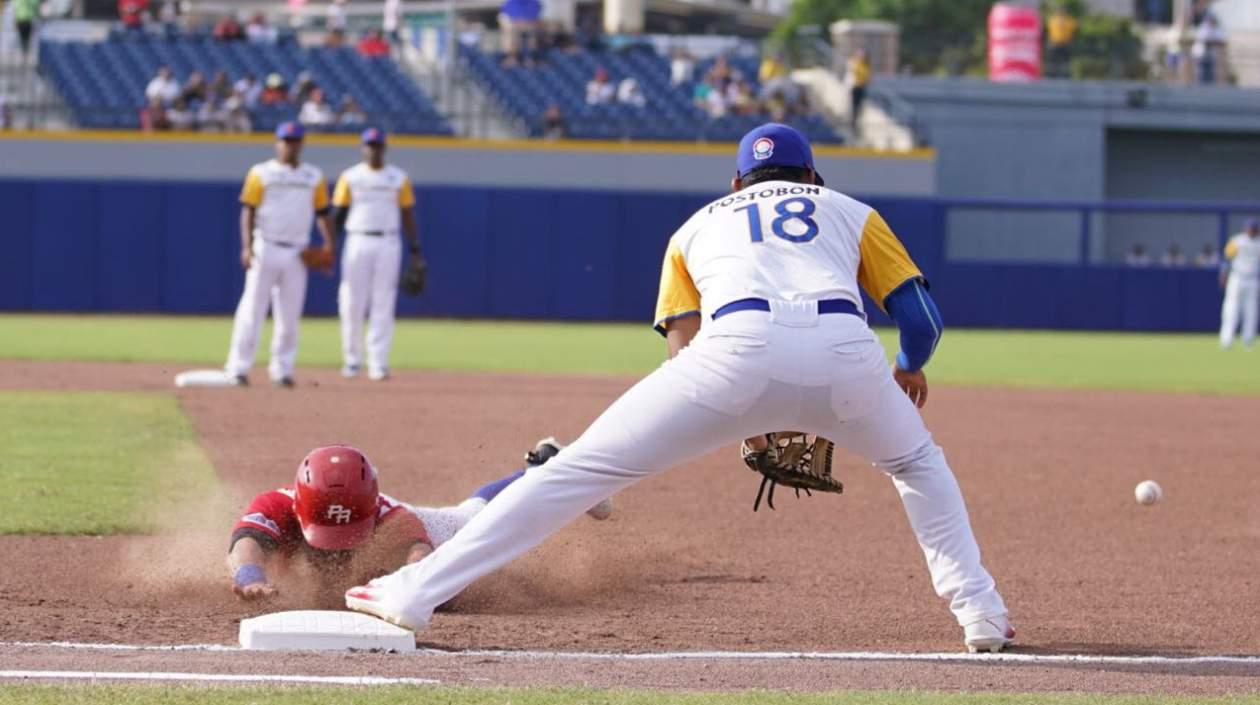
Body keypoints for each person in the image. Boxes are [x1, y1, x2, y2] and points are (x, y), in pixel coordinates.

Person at [344, 123, 1015, 655]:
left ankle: (415, 591)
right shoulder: (850, 211)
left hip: (732, 352)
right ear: (813, 177)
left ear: (735, 181)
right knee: (918, 464)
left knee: (578, 469)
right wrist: (906, 366)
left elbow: (682, 347)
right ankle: (980, 611)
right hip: (846, 352)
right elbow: (923, 319)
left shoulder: (696, 225)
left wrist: (740, 409)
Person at [229, 439, 614, 601]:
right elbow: (246, 543)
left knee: (476, 517)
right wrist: (249, 579)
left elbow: (419, 554)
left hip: (438, 529)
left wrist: (414, 583)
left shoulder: (393, 518)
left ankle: (553, 470)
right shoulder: (277, 504)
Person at [223, 122, 335, 388]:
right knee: (252, 309)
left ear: (301, 144)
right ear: (277, 143)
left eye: (294, 140)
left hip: (297, 251)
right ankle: (238, 367)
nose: (290, 145)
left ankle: (282, 370)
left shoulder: (313, 176)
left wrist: (330, 245)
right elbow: (248, 210)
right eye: (285, 140)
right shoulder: (261, 173)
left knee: (290, 314)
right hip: (266, 247)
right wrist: (247, 246)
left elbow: (323, 214)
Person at [332, 128, 423, 381]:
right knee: (351, 301)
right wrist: (329, 247)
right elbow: (338, 215)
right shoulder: (350, 177)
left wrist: (415, 249)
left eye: (377, 145)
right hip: (357, 239)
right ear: (363, 148)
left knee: (383, 302)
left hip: (388, 241)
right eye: (369, 145)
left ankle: (378, 362)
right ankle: (352, 359)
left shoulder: (398, 178)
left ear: (384, 148)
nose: (373, 149)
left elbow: (407, 215)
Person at [1219, 219, 1260, 350]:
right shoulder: (1237, 241)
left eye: (1253, 228)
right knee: (1231, 309)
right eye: (1249, 228)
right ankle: (1226, 340)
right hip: (1237, 277)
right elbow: (1226, 258)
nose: (1251, 230)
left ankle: (1248, 341)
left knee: (1251, 310)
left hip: (1252, 279)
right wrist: (1223, 275)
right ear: (1245, 229)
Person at [1045, 5, 1076, 79]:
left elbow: (1073, 32)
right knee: (1053, 61)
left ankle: (1065, 76)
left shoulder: (1070, 21)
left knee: (1065, 61)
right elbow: (1048, 31)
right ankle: (1051, 76)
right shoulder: (1052, 20)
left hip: (1065, 44)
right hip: (1054, 43)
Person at [846, 49, 870, 130]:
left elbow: (867, 77)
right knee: (854, 106)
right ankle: (853, 122)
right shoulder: (854, 63)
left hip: (861, 87)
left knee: (860, 107)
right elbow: (852, 73)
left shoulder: (865, 65)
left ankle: (857, 122)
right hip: (855, 87)